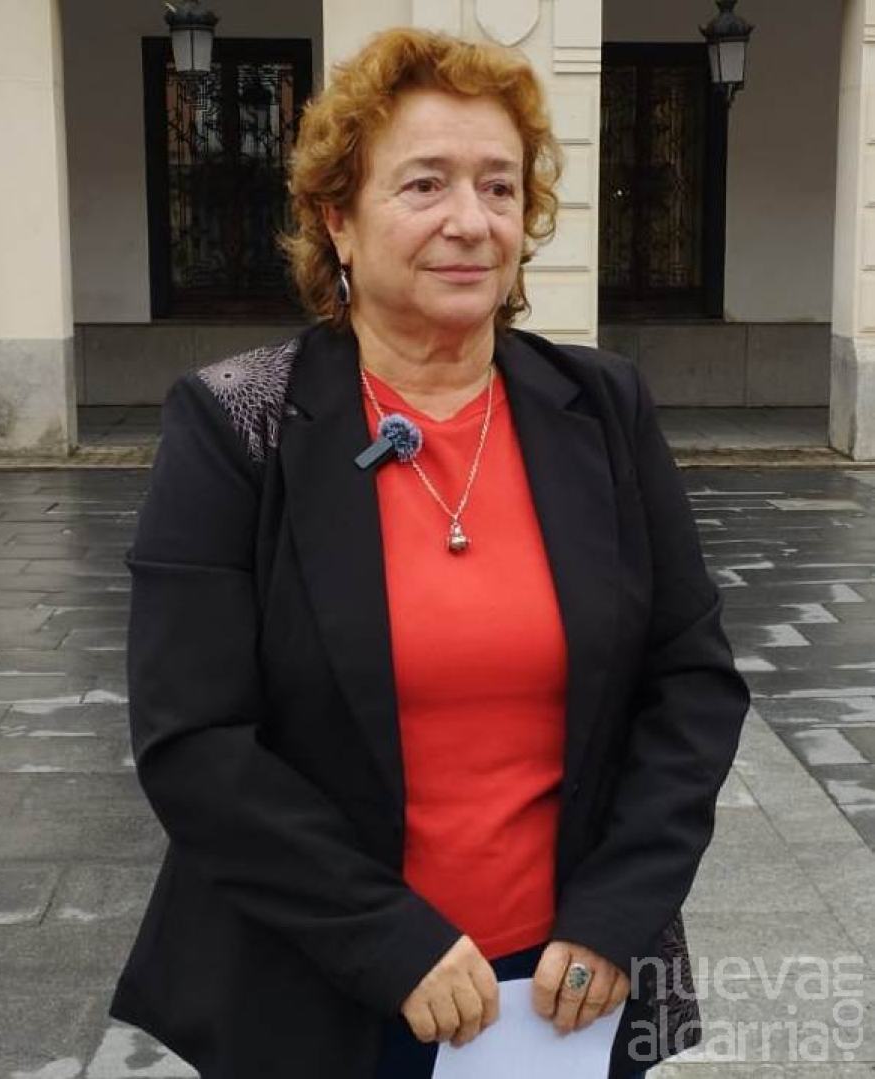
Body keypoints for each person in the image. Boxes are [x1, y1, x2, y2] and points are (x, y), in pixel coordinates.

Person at [109, 27, 750, 1079]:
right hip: (322, 981)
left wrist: (616, 910)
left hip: (562, 988)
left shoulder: (602, 406)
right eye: (424, 184)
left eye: (499, 187)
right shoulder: (238, 420)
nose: (470, 220)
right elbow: (194, 740)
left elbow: (692, 681)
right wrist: (389, 938)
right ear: (337, 219)